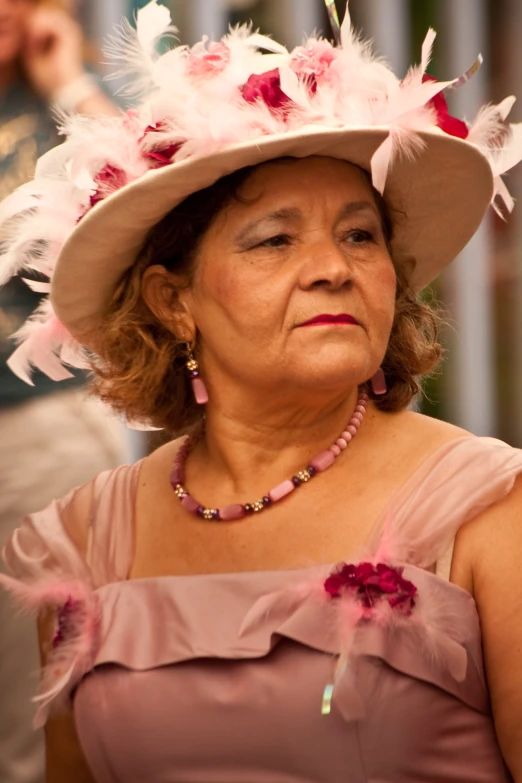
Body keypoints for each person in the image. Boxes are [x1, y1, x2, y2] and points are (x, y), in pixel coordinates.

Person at [1, 1, 522, 781]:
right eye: (276, 239)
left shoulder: (487, 508)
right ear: (171, 301)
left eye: (359, 234)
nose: (332, 267)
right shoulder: (82, 541)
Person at [0, 2, 124, 782]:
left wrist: (69, 82)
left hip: (42, 425)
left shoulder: (57, 107)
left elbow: (159, 188)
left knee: (52, 708)